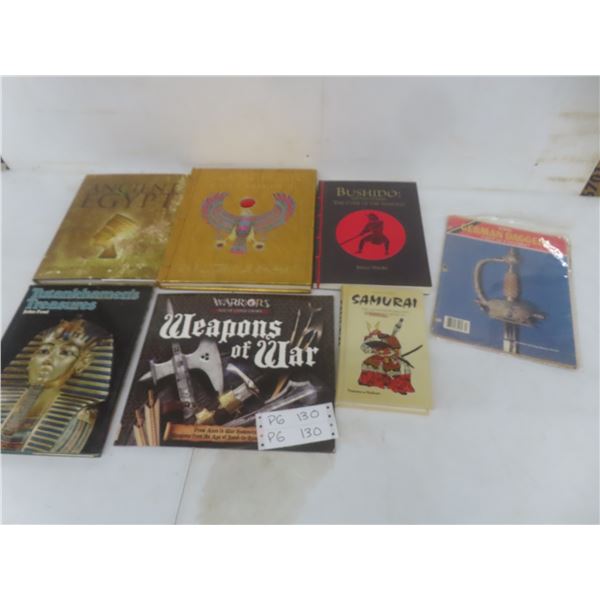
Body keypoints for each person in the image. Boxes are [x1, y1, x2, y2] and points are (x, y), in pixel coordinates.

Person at [1, 318, 113, 454]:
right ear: (31, 358)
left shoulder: (81, 418)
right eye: (44, 351)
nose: (48, 360)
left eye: (65, 353)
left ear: (82, 363)